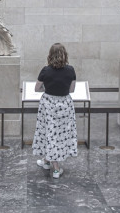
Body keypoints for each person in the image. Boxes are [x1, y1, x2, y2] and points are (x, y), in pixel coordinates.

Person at [32, 43, 77, 178]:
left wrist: (47, 88)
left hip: (49, 104)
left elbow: (36, 88)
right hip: (65, 104)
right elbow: (72, 90)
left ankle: (56, 169)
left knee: (50, 133)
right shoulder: (70, 70)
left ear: (50, 55)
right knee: (59, 135)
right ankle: (46, 161)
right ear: (65, 54)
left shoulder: (46, 71)